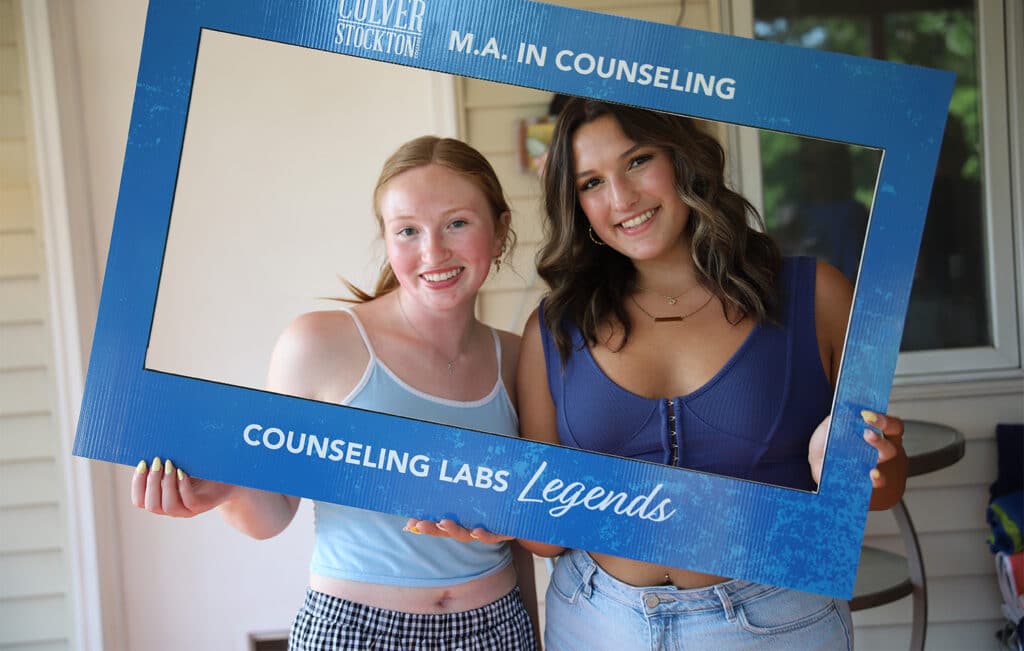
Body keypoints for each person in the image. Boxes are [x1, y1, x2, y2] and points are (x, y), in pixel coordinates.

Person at [515, 98, 908, 649]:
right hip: (595, 620)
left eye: (636, 161)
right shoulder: (553, 330)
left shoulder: (817, 295)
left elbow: (881, 490)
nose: (621, 198)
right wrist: (472, 502)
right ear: (576, 205)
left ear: (683, 160)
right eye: (591, 183)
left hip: (774, 621)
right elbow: (545, 538)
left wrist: (871, 467)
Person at [130, 136, 539, 650]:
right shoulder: (320, 344)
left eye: (457, 223)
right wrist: (222, 491)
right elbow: (273, 512)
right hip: (356, 630)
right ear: (387, 240)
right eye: (407, 230)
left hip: (496, 627)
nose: (433, 251)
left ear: (500, 232)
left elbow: (521, 540)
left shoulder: (522, 359)